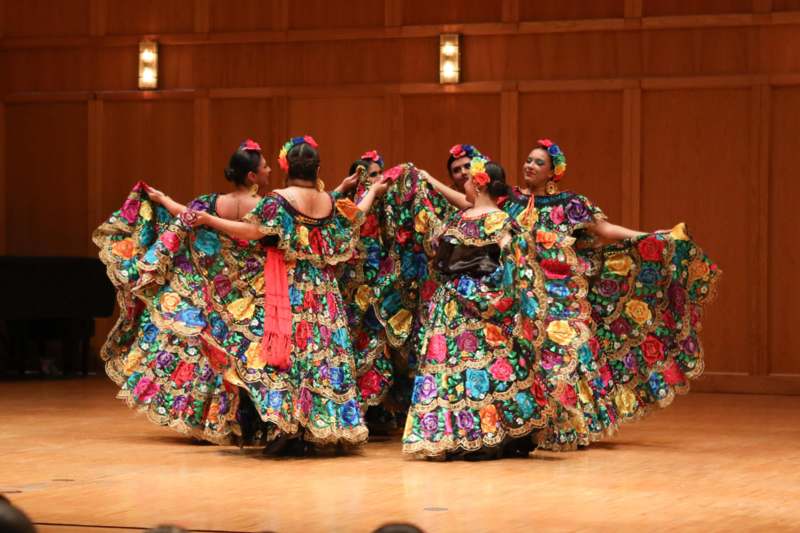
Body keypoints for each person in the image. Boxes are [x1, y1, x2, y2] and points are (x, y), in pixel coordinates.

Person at [185, 136, 390, 455]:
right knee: (322, 353)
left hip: (288, 287)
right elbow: (350, 217)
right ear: (317, 168)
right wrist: (370, 192)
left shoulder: (278, 199)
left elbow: (254, 232)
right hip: (323, 291)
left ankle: (289, 426)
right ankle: (325, 427)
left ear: (285, 167)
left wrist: (210, 220)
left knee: (285, 356)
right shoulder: (326, 200)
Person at [94, 139, 273, 444]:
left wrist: (164, 200)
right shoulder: (265, 207)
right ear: (253, 176)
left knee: (215, 352)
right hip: (253, 289)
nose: (269, 169)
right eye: (265, 166)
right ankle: (251, 419)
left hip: (217, 288)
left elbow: (185, 216)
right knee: (250, 350)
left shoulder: (212, 203)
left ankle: (211, 419)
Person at [401, 158, 547, 459]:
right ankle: (495, 433)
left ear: (479, 183)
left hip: (453, 305)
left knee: (454, 369)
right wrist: (496, 299)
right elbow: (516, 271)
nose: (464, 181)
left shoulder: (458, 221)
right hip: (487, 303)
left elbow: (437, 256)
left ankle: (458, 434)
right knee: (489, 365)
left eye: (469, 177)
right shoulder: (505, 222)